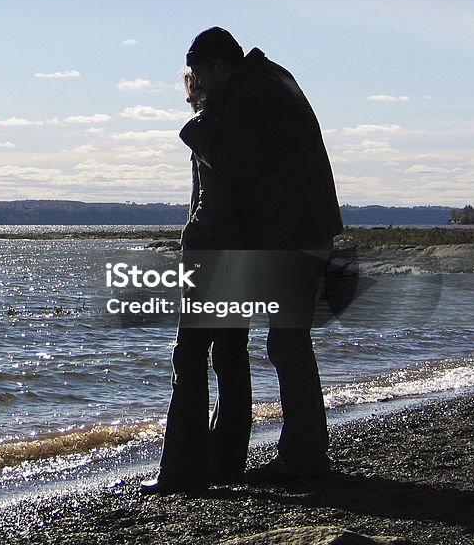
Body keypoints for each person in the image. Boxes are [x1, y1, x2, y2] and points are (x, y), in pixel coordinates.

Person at [178, 27, 343, 483]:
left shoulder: (258, 94)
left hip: (293, 233)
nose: (198, 84)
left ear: (219, 65)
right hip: (299, 230)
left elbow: (234, 163)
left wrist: (195, 131)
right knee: (288, 344)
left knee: (287, 344)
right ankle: (303, 451)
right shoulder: (267, 80)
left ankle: (305, 457)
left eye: (200, 73)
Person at [140, 69, 252, 495]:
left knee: (190, 357)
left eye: (191, 93)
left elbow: (214, 199)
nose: (189, 101)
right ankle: (225, 463)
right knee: (230, 356)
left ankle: (183, 470)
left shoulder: (210, 132)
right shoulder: (243, 127)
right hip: (243, 253)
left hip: (214, 255)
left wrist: (191, 238)